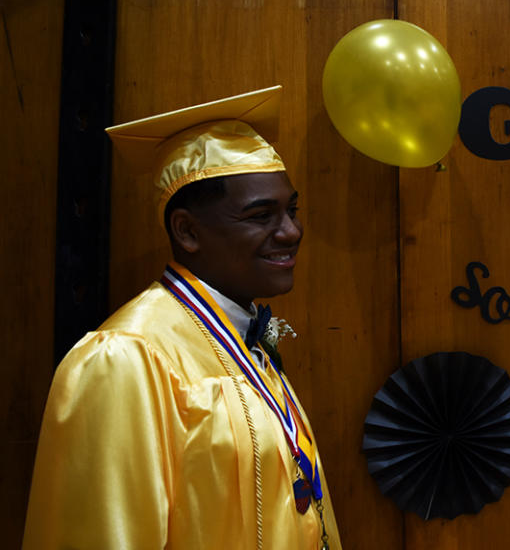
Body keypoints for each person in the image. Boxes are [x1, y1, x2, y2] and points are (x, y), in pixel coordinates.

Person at [22, 86, 341, 549]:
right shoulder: (126, 359)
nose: (291, 231)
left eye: (290, 210)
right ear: (187, 231)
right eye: (261, 215)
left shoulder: (246, 338)